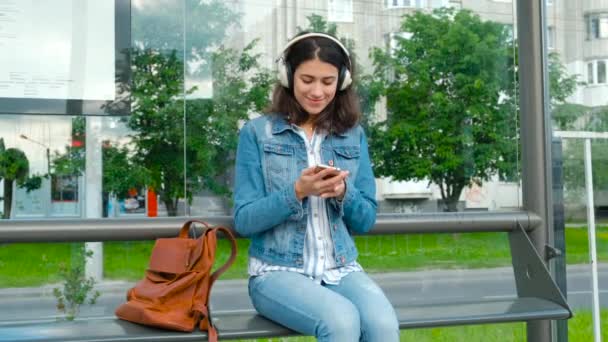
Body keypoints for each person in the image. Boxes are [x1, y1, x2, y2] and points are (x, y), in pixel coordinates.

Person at [233, 32, 399, 341]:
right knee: (342, 322)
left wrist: (343, 194)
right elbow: (244, 220)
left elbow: (366, 220)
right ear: (288, 75)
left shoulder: (352, 135)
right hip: (275, 272)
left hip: (340, 268)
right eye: (307, 79)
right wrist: (296, 192)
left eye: (328, 81)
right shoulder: (257, 134)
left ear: (343, 81)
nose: (317, 91)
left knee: (384, 326)